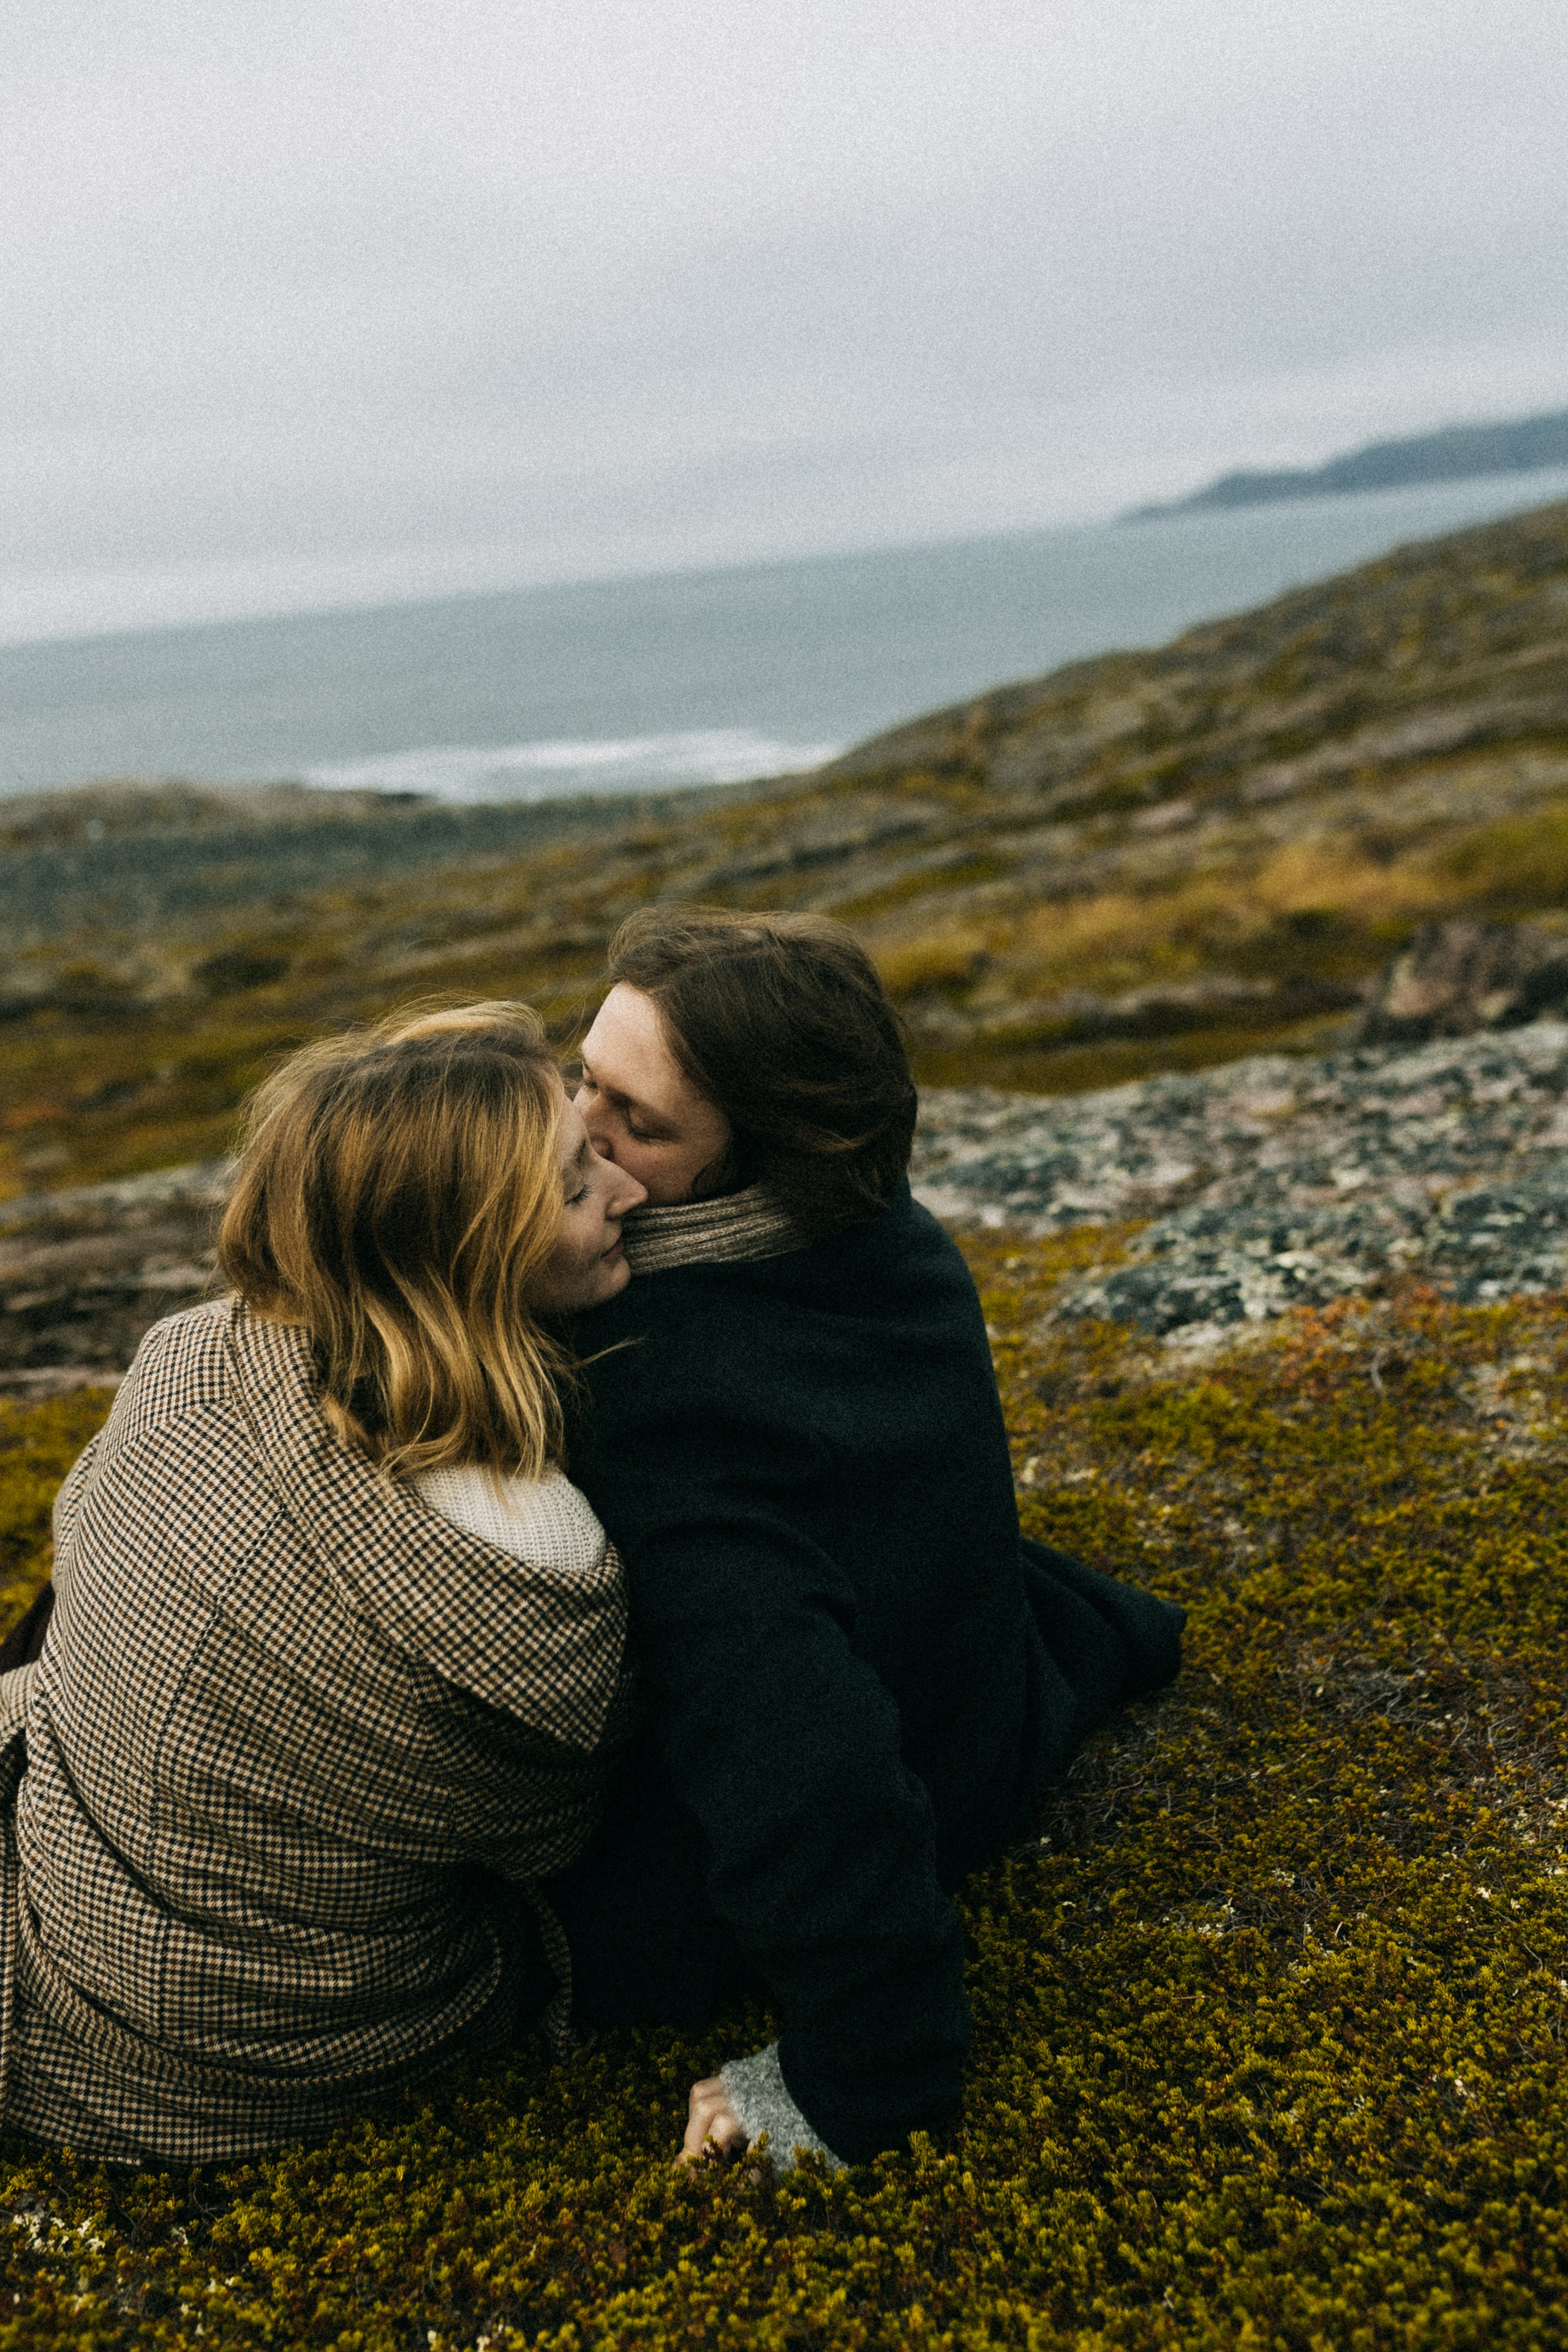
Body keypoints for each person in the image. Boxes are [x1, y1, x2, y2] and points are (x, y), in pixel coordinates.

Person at [553, 907, 1185, 2173]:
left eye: (639, 1120)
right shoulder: (876, 1231)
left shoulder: (666, 1393)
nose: (579, 1131)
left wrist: (854, 2084)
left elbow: (795, 1750)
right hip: (968, 1705)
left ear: (767, 1157)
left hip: (786, 1842)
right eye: (583, 1079)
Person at [0, 1001, 644, 2162]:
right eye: (572, 1183)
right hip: (273, 2053)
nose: (626, 1190)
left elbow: (83, 1555)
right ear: (469, 1255)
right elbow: (551, 1840)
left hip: (76, 1906)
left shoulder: (184, 1361)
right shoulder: (530, 1577)